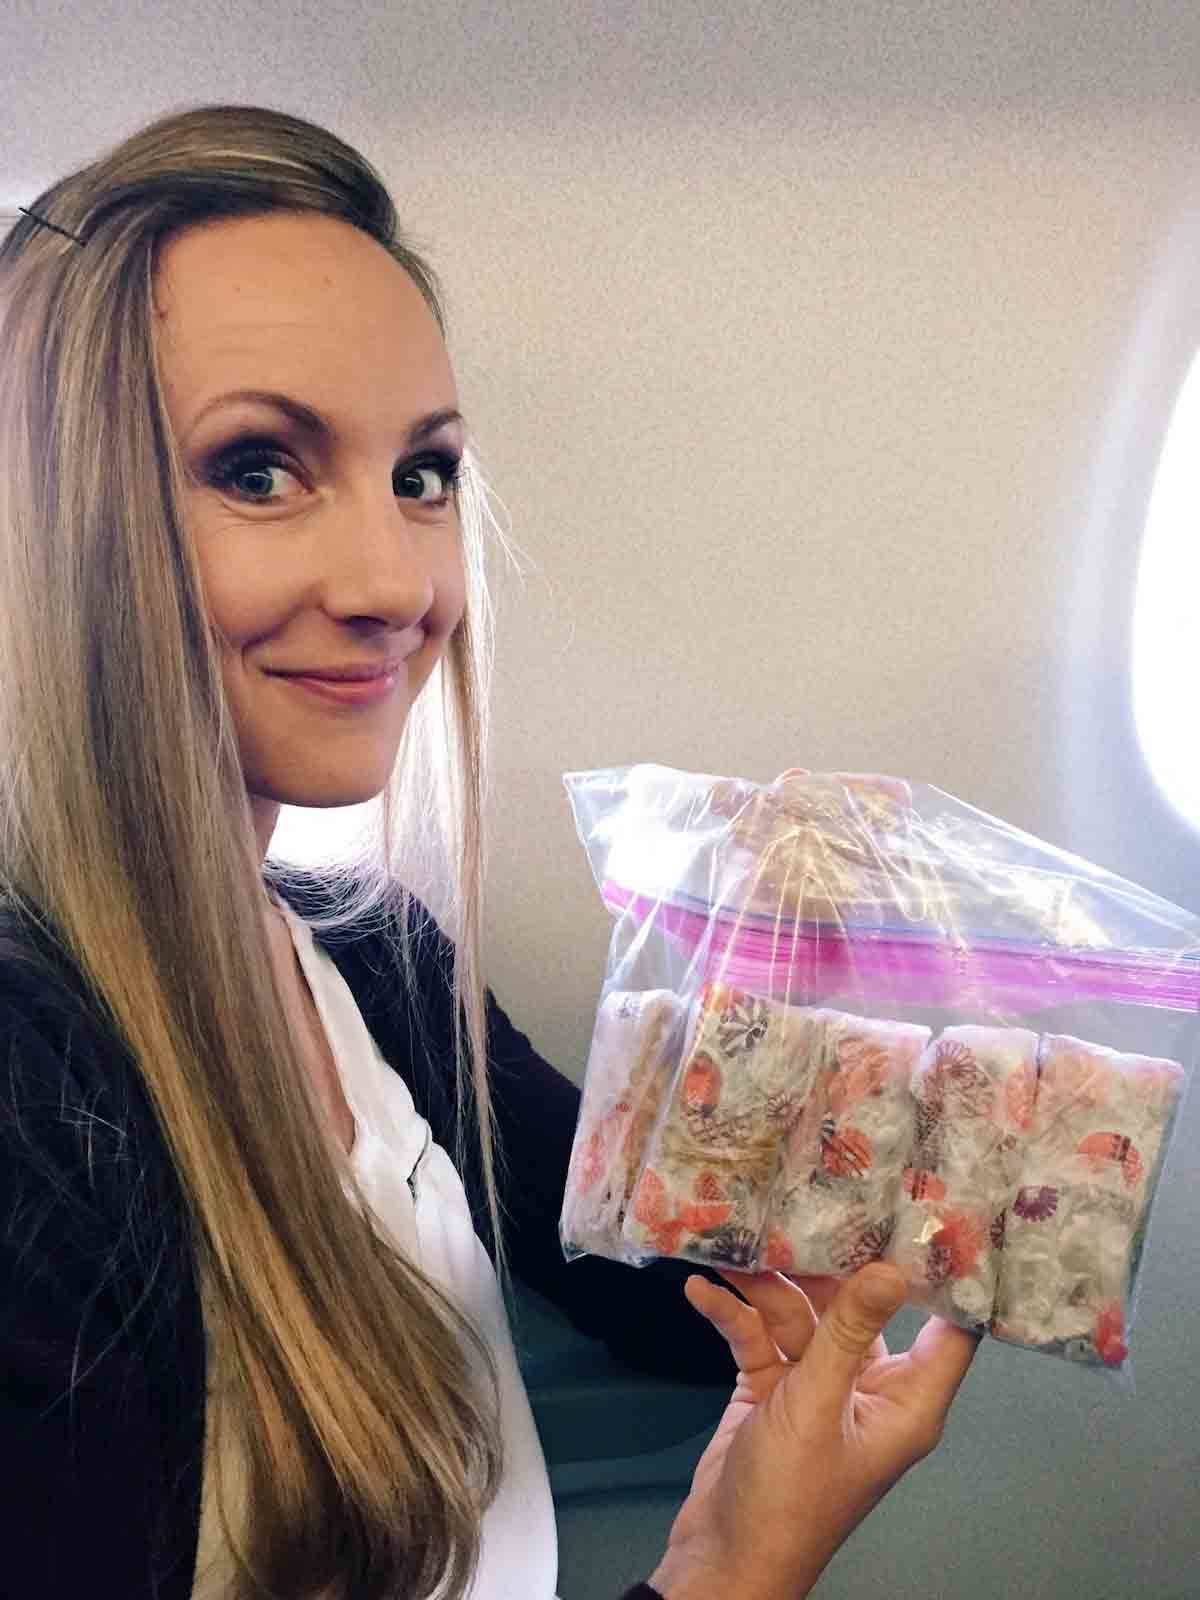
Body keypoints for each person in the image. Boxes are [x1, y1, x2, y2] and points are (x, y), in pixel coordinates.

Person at [0, 104, 979, 1600]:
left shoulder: (370, 955)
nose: (399, 580)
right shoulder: (29, 1093)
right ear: (48, 512)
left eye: (425, 473)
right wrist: (732, 1579)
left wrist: (782, 978)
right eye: (257, 468)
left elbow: (670, 1297)